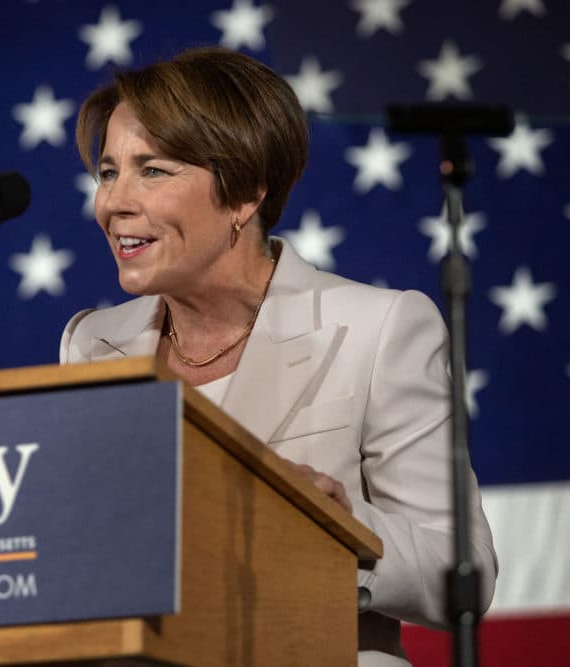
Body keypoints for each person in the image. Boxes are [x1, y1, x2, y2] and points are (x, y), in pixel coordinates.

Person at [59, 46, 497, 666]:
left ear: (243, 196)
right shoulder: (90, 344)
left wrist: (340, 531)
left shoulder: (378, 328)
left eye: (151, 171)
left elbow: (466, 574)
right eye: (108, 172)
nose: (113, 203)